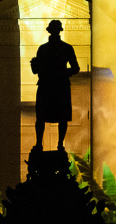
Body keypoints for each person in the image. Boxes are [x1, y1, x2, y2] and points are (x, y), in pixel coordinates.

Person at [31, 19, 80, 151]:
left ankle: (44, 144)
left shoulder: (44, 49)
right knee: (49, 117)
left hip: (52, 86)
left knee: (47, 117)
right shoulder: (64, 48)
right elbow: (75, 68)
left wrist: (62, 73)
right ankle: (56, 144)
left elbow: (75, 68)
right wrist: (63, 73)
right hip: (56, 86)